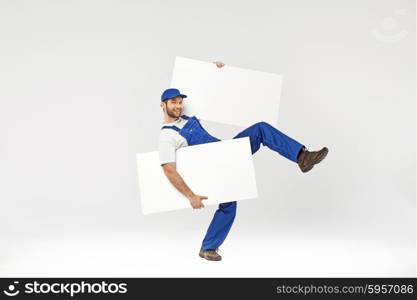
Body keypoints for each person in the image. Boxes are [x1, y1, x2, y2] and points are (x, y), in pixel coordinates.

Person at [158, 61, 328, 261]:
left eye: (180, 102)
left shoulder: (186, 117)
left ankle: (303, 157)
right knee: (229, 205)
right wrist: (190, 196)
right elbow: (169, 170)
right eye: (173, 102)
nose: (178, 106)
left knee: (261, 129)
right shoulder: (167, 137)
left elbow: (209, 94)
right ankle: (208, 247)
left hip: (227, 152)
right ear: (163, 105)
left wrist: (217, 74)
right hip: (216, 166)